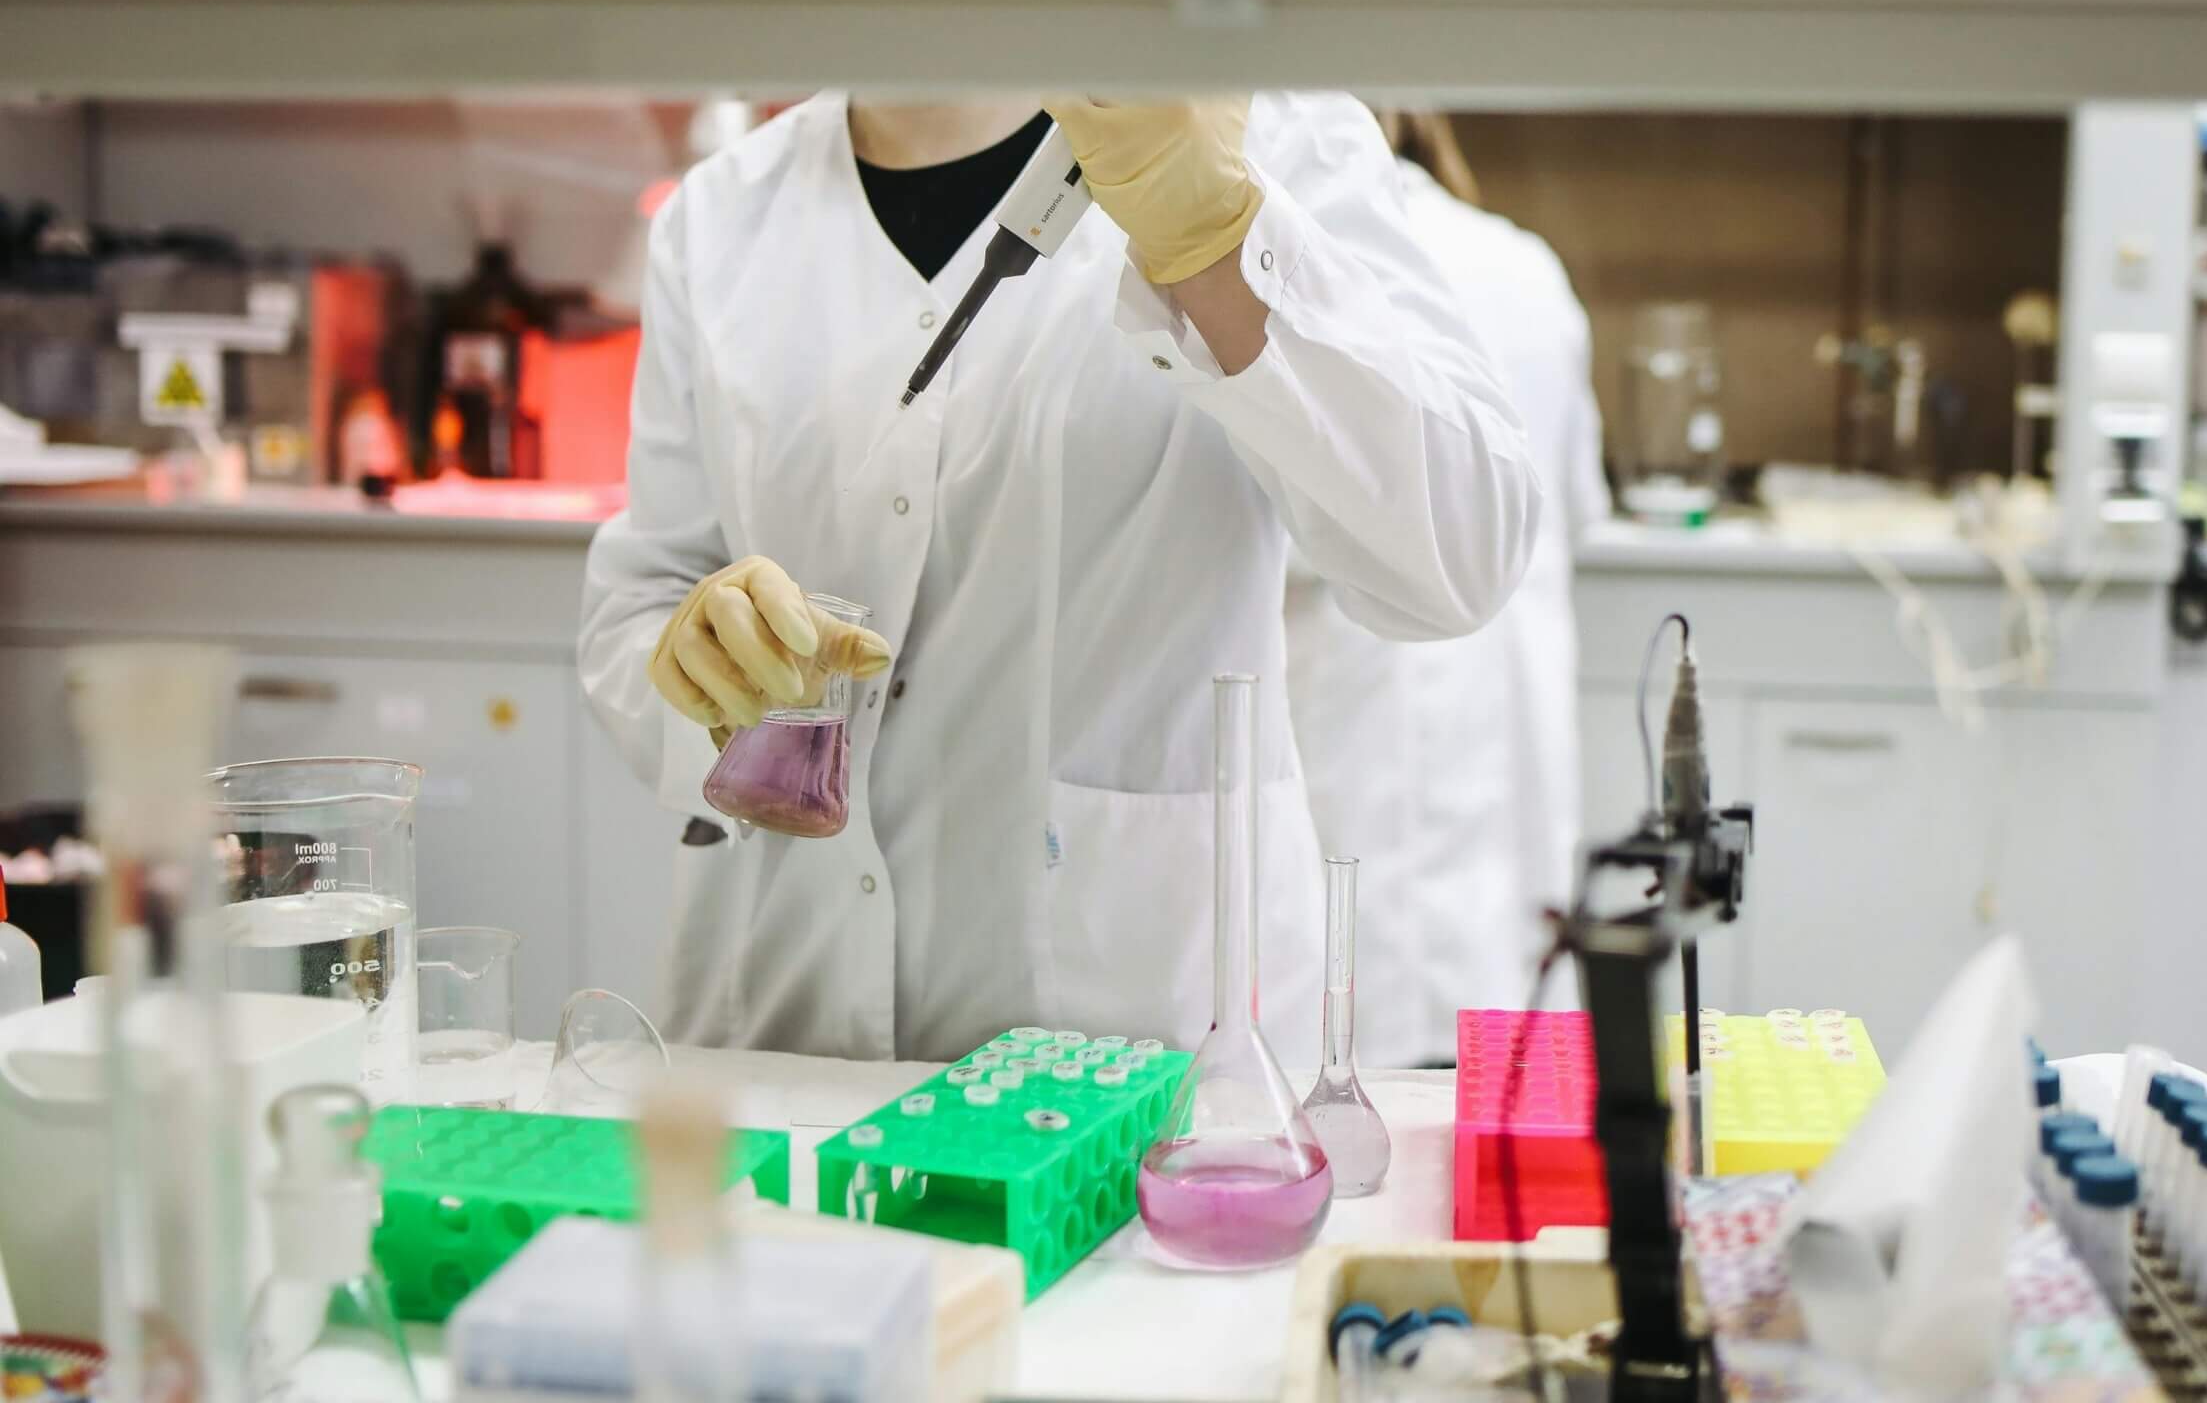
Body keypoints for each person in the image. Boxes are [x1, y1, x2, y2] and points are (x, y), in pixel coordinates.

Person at [579, 95, 1541, 1064]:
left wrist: (1220, 242)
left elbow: (1459, 557)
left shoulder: (1268, 135)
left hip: (1136, 1054)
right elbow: (641, 599)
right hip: (783, 1036)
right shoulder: (720, 217)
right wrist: (696, 667)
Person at [1284, 109, 1609, 1065]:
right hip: (1508, 809)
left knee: (1356, 1119)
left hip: (1344, 789)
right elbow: (1575, 509)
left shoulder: (1285, 260)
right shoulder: (1528, 269)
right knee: (1498, 1133)